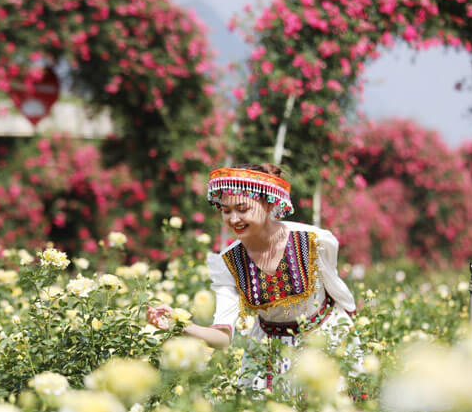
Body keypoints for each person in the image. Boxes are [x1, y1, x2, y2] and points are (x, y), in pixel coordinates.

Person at [147, 163, 360, 391]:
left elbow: (335, 287)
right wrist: (180, 325)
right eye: (226, 211)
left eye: (242, 209)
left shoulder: (315, 240)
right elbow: (222, 336)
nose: (234, 219)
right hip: (269, 350)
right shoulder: (228, 263)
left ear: (268, 204)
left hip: (324, 339)